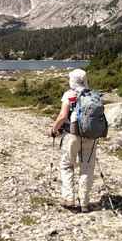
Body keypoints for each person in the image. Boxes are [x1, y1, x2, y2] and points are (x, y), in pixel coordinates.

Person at [50, 69, 97, 213]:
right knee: (87, 167)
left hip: (72, 135)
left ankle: (69, 198)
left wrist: (53, 129)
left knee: (66, 165)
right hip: (91, 136)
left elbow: (63, 115)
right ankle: (84, 203)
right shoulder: (93, 95)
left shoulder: (69, 94)